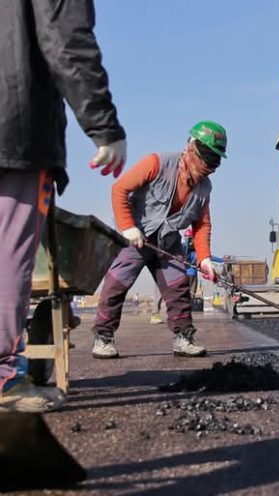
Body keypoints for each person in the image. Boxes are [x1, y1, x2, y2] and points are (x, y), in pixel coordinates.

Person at [0, 0, 126, 412]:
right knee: (7, 252)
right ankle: (3, 376)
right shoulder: (160, 167)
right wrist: (104, 125)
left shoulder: (199, 188)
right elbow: (65, 38)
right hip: (12, 128)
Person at [91, 121, 226, 359]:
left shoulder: (204, 188)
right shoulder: (157, 163)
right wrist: (128, 227)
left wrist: (204, 259)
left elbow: (202, 225)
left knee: (179, 288)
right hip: (136, 237)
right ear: (191, 149)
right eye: (206, 159)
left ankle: (184, 339)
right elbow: (119, 189)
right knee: (116, 284)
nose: (209, 167)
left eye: (214, 161)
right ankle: (103, 338)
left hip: (167, 243)